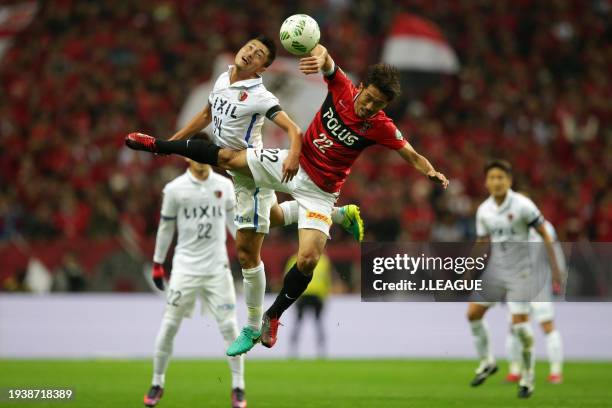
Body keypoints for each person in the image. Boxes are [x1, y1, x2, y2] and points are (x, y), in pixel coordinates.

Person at [125, 42, 449, 356]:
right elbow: (324, 56)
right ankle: (158, 145)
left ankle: (273, 315)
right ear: (362, 87)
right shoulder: (342, 89)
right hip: (292, 162)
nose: (368, 107)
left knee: (307, 258)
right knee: (228, 159)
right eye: (369, 99)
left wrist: (431, 171)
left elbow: (410, 153)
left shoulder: (380, 126)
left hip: (322, 192)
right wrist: (316, 57)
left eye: (377, 105)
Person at [132, 36, 363, 361]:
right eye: (250, 47)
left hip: (252, 171)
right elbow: (205, 115)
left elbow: (294, 129)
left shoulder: (259, 95)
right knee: (272, 214)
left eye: (258, 55)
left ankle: (254, 325)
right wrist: (173, 142)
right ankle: (337, 214)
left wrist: (294, 155)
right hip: (240, 177)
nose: (250, 53)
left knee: (246, 254)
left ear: (263, 67)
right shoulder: (222, 78)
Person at [143, 136, 246, 408]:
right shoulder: (175, 190)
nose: (200, 158)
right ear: (187, 156)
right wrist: (157, 262)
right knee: (169, 326)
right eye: (195, 153)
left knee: (230, 327)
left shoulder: (224, 186)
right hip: (185, 268)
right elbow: (166, 228)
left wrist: (249, 252)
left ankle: (238, 387)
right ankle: (157, 381)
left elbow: (233, 226)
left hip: (217, 268)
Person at [466, 160, 562, 399]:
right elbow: (481, 241)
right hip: (497, 271)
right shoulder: (484, 210)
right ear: (486, 182)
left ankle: (528, 377)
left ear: (509, 181)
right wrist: (469, 268)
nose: (496, 182)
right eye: (492, 177)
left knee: (520, 327)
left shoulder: (523, 205)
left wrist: (556, 269)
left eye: (501, 177)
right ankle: (488, 361)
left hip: (522, 274)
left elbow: (546, 235)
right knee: (473, 314)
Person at [505, 217, 565, 384]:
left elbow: (554, 249)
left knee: (547, 326)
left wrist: (558, 273)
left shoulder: (545, 226)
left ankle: (555, 371)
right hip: (516, 286)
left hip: (540, 286)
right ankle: (515, 370)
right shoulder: (508, 226)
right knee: (514, 328)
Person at [284, 252, 332, 358]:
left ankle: (294, 350)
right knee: (310, 323)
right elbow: (327, 280)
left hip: (309, 295)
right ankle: (295, 350)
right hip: (308, 295)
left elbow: (288, 278)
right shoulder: (323, 259)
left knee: (303, 323)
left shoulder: (295, 258)